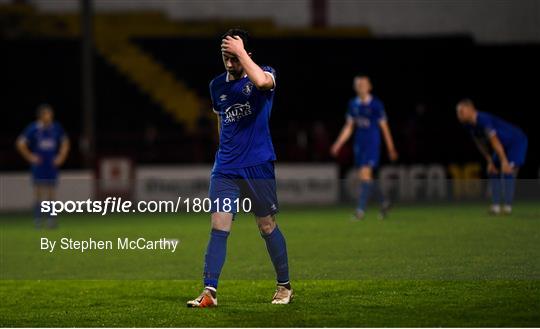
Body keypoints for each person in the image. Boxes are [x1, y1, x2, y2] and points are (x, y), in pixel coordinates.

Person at [187, 29, 292, 308]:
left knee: (266, 225)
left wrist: (241, 52)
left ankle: (284, 286)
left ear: (246, 55)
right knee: (219, 225)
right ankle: (210, 291)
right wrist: (224, 151)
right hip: (226, 167)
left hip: (258, 164)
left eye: (234, 57)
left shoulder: (265, 72)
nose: (230, 62)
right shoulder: (216, 86)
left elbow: (261, 82)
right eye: (225, 57)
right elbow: (221, 120)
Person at [331, 75, 398, 220]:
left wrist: (391, 148)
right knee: (365, 177)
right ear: (355, 87)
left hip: (372, 143)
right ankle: (384, 202)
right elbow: (349, 127)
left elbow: (384, 127)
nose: (361, 86)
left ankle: (360, 211)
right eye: (358, 84)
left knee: (365, 175)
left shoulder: (376, 104)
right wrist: (338, 144)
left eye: (363, 83)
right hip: (359, 145)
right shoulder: (353, 104)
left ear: (369, 87)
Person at [456, 99, 527, 215]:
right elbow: (480, 143)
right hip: (501, 145)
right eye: (458, 112)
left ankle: (507, 207)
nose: (459, 115)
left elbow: (494, 139)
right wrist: (489, 160)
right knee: (492, 170)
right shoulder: (468, 125)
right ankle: (496, 206)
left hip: (515, 141)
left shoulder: (483, 119)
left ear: (470, 109)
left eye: (461, 111)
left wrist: (504, 161)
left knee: (508, 170)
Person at [16, 104, 70, 228]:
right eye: (47, 114)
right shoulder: (33, 128)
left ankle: (51, 220)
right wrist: (30, 157)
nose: (50, 117)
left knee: (51, 192)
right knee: (38, 192)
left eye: (50, 114)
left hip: (51, 165)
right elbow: (20, 143)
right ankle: (38, 219)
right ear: (41, 116)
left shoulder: (56, 128)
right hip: (39, 165)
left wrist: (61, 157)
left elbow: (65, 142)